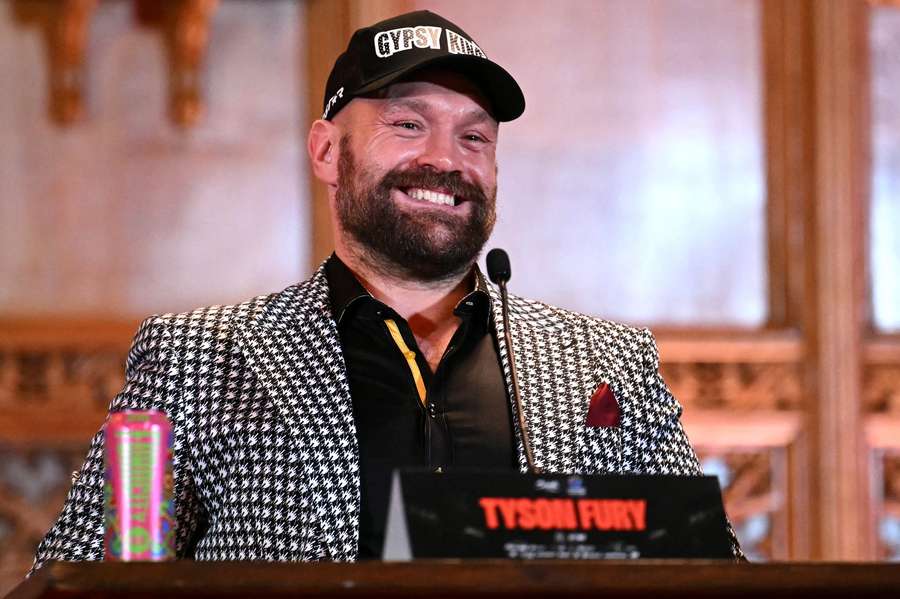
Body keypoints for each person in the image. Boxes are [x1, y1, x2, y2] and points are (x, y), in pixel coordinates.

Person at [32, 10, 742, 568]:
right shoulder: (193, 361)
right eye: (407, 124)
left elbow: (707, 571)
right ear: (325, 150)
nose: (445, 159)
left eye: (475, 138)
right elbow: (98, 576)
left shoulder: (609, 365)